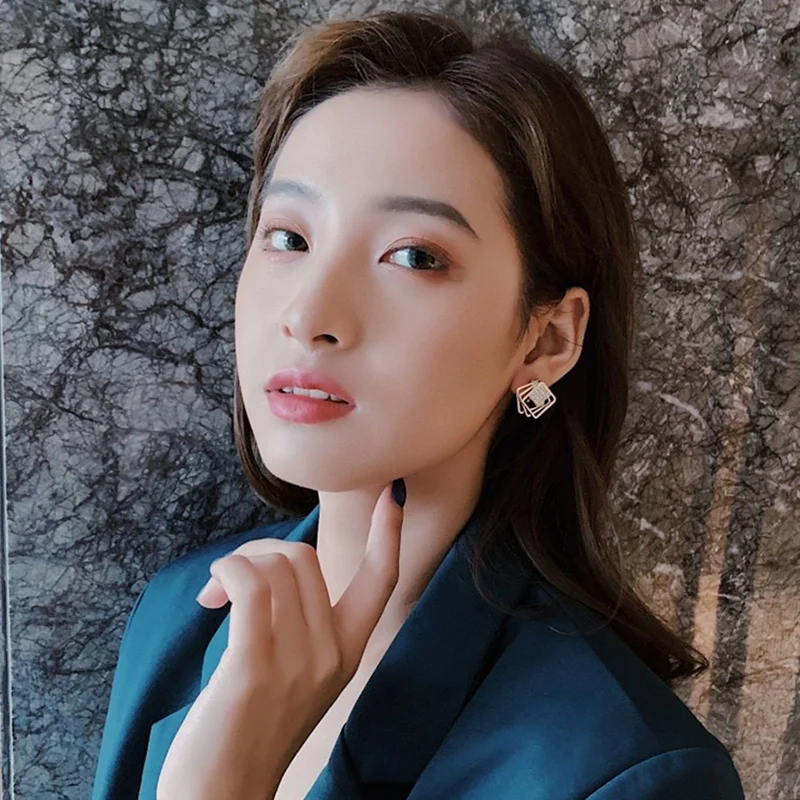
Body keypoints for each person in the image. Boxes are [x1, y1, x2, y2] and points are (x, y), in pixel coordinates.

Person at [91, 9, 746, 799]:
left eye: (413, 256)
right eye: (289, 238)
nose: (309, 315)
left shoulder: (628, 773)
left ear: (546, 340)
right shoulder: (181, 613)